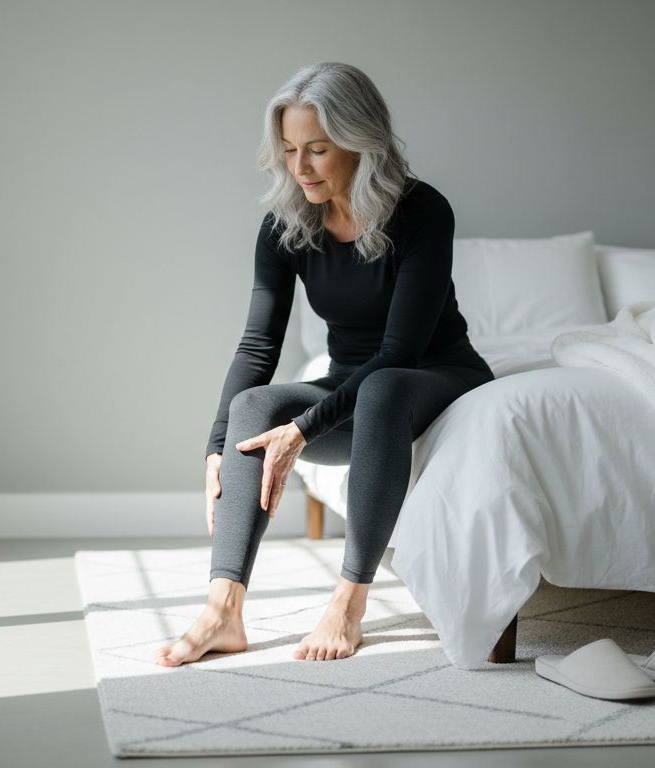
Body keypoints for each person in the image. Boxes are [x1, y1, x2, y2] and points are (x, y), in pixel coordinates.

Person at [156, 62, 495, 666]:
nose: (300, 167)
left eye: (317, 149)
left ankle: (349, 601)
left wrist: (304, 429)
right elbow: (257, 347)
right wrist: (215, 446)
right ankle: (223, 609)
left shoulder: (422, 212)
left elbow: (399, 354)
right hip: (352, 387)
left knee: (384, 386)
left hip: (434, 377)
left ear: (361, 142)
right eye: (289, 149)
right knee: (252, 406)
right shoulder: (287, 225)